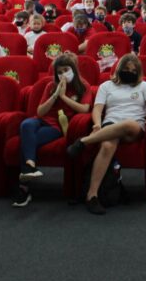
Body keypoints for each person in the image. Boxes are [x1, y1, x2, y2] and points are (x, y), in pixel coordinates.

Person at [66, 54, 146, 215]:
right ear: (119, 69)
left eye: (133, 70)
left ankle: (84, 142)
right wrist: (97, 124)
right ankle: (92, 195)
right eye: (126, 69)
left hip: (134, 127)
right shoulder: (106, 86)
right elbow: (97, 109)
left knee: (127, 124)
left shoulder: (144, 86)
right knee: (106, 145)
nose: (129, 72)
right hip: (109, 125)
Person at [13, 54, 93, 207]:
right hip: (42, 120)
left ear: (74, 70)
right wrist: (56, 94)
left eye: (66, 70)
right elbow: (40, 112)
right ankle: (30, 165)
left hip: (56, 126)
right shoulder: (50, 86)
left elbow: (84, 109)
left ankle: (24, 188)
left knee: (27, 141)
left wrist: (63, 97)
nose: (63, 74)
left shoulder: (83, 86)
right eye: (59, 71)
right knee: (26, 125)